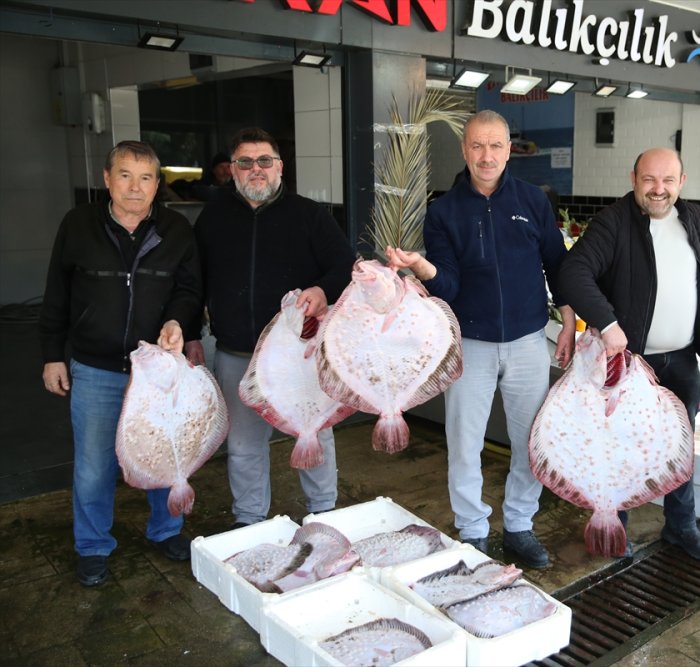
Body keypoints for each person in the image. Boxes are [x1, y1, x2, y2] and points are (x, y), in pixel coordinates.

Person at [386, 110, 576, 568]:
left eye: (495, 145)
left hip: (529, 341)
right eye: (477, 145)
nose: (486, 155)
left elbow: (557, 264)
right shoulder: (443, 211)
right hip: (469, 343)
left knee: (530, 441)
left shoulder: (533, 200)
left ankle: (520, 525)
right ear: (464, 150)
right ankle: (472, 530)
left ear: (509, 150)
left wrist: (569, 320)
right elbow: (447, 285)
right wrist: (422, 267)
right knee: (464, 442)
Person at [39, 140, 203, 587]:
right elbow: (56, 292)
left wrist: (177, 321)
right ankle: (93, 545)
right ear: (107, 179)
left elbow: (189, 290)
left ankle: (166, 530)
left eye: (146, 177)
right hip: (95, 368)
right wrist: (52, 354)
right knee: (94, 465)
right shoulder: (78, 225)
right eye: (125, 175)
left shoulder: (176, 229)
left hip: (156, 369)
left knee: (162, 453)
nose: (135, 187)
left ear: (157, 184)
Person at [184, 128, 355, 529]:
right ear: (232, 170)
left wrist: (321, 289)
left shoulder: (310, 215)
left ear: (280, 167)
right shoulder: (213, 218)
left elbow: (345, 267)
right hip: (236, 352)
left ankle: (324, 513)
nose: (255, 169)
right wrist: (191, 333)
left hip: (299, 354)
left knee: (313, 433)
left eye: (264, 161)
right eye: (245, 162)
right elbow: (192, 282)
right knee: (243, 446)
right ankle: (249, 521)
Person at [558, 147, 700, 563]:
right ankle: (616, 526)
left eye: (667, 180)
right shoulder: (613, 222)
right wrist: (608, 323)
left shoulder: (697, 219)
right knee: (623, 446)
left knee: (680, 446)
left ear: (682, 182)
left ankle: (681, 526)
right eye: (649, 179)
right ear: (634, 179)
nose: (658, 189)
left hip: (682, 359)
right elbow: (572, 272)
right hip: (630, 365)